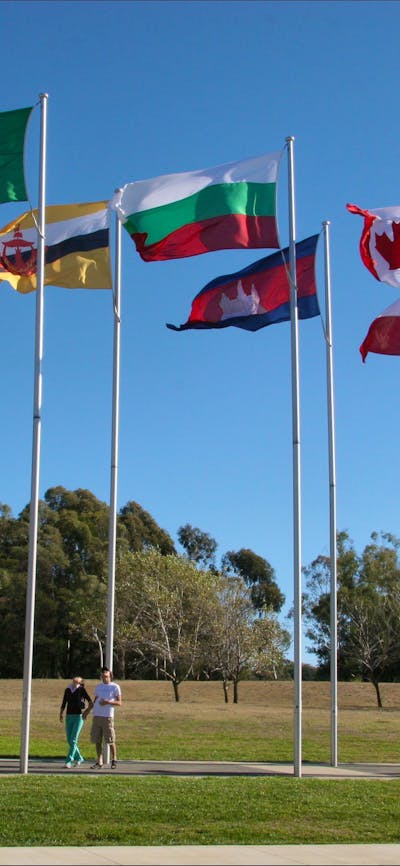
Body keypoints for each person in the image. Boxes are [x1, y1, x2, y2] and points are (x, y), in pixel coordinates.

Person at [84, 666, 122, 769]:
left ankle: (114, 759)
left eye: (106, 676)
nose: (104, 678)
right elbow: (95, 700)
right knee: (97, 740)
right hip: (97, 716)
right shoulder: (99, 687)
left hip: (107, 716)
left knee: (110, 739)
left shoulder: (115, 687)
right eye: (102, 676)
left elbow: (119, 702)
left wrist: (108, 702)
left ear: (110, 676)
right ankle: (99, 761)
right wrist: (87, 711)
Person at [59, 675, 93, 769]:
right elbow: (64, 702)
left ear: (80, 682)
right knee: (69, 739)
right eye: (74, 680)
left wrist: (86, 712)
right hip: (69, 716)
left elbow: (91, 702)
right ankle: (80, 758)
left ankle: (68, 761)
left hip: (78, 717)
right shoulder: (68, 690)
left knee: (73, 739)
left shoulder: (82, 690)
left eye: (78, 681)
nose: (75, 681)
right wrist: (61, 713)